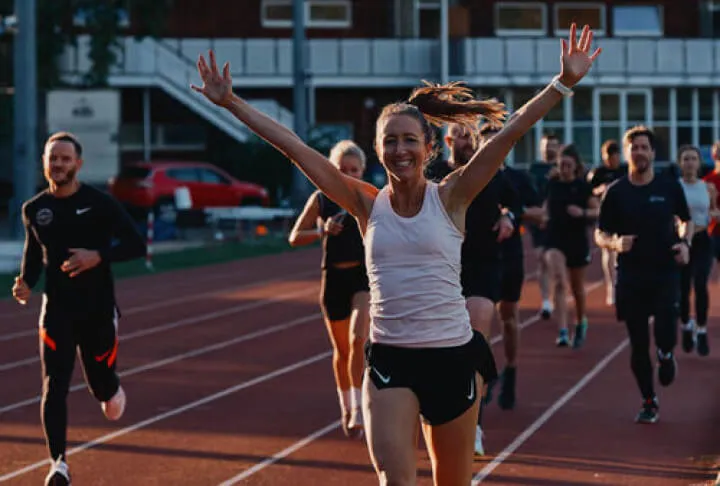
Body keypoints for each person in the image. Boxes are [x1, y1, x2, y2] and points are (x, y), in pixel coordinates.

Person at [191, 24, 599, 484]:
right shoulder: (366, 203)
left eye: (409, 140)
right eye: (390, 140)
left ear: (428, 148)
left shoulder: (453, 196)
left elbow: (510, 134)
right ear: (378, 149)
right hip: (390, 359)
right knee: (394, 480)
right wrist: (232, 104)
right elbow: (297, 149)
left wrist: (562, 83)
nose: (400, 149)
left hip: (452, 357)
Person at [11, 132, 147, 486]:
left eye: (65, 158)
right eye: (52, 158)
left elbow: (136, 244)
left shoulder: (101, 204)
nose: (58, 164)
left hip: (98, 310)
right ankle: (59, 464)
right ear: (44, 163)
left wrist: (98, 256)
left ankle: (110, 387)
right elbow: (33, 258)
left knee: (101, 389)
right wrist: (25, 281)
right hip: (56, 311)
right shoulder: (34, 209)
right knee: (53, 385)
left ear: (78, 164)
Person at [426, 122, 518, 456]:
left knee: (475, 344)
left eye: (471, 135)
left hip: (483, 265)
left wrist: (509, 216)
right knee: (439, 351)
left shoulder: (490, 170)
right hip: (441, 269)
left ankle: (473, 425)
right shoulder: (433, 172)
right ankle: (439, 414)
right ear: (448, 140)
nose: (467, 141)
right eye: (461, 135)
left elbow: (515, 201)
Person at [595, 126, 691, 425]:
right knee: (637, 343)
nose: (639, 152)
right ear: (627, 153)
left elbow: (686, 220)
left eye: (643, 147)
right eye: (633, 147)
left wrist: (684, 243)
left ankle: (665, 353)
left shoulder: (669, 186)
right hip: (631, 275)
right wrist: (614, 243)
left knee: (664, 330)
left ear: (652, 152)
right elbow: (600, 233)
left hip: (664, 272)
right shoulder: (616, 192)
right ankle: (649, 400)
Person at [288, 140, 371, 437]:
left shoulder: (368, 197)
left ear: (362, 171)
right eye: (341, 169)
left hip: (363, 279)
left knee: (358, 338)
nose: (347, 174)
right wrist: (322, 230)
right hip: (333, 278)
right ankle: (347, 405)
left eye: (354, 170)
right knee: (342, 350)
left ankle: (361, 409)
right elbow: (295, 236)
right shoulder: (321, 199)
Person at [477, 124, 545, 412]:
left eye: (498, 144)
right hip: (479, 258)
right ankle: (486, 377)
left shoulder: (518, 178)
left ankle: (512, 371)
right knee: (482, 319)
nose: (493, 149)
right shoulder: (473, 178)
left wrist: (511, 215)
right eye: (487, 143)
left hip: (510, 256)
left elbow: (541, 214)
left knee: (508, 317)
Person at [544, 144, 599, 348]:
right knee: (559, 281)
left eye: (568, 165)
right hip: (554, 238)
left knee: (577, 288)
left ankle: (581, 321)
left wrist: (582, 213)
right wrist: (541, 216)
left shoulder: (583, 187)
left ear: (576, 166)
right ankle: (563, 331)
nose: (564, 168)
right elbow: (545, 206)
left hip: (576, 239)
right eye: (561, 165)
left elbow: (597, 211)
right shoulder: (552, 184)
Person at [676, 145, 717, 356]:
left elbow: (713, 210)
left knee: (700, 283)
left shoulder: (708, 188)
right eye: (686, 159)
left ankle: (701, 329)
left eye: (693, 159)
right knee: (683, 288)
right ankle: (686, 325)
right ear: (680, 163)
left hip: (702, 240)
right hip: (682, 242)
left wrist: (715, 214)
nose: (690, 163)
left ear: (699, 163)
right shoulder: (675, 188)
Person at [587, 140, 628, 306]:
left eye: (614, 156)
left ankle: (621, 282)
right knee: (608, 251)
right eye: (608, 157)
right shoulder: (598, 173)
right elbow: (588, 192)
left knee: (621, 250)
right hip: (606, 214)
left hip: (624, 213)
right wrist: (599, 190)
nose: (611, 160)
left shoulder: (625, 171)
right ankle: (612, 285)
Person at [528, 132, 561, 320]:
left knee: (555, 262)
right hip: (538, 219)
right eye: (546, 145)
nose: (549, 148)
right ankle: (546, 301)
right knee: (541, 258)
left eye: (552, 145)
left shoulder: (562, 168)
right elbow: (531, 192)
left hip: (557, 221)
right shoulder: (535, 168)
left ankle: (558, 295)